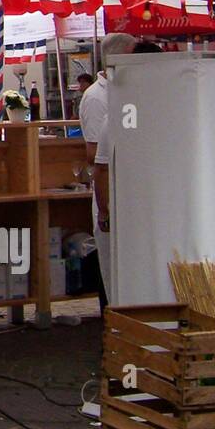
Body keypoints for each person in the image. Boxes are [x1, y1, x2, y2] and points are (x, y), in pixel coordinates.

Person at [80, 32, 137, 311]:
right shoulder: (95, 98)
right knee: (113, 272)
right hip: (110, 193)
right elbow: (93, 155)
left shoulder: (127, 92)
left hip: (126, 192)